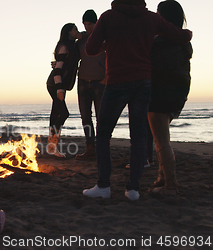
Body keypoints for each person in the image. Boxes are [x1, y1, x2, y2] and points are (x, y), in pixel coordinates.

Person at [82, 0, 192, 201]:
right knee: (139, 136)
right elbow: (183, 35)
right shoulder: (151, 18)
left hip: (117, 81)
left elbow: (90, 49)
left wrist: (108, 45)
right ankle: (133, 189)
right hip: (142, 82)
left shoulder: (108, 17)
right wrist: (187, 34)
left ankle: (104, 186)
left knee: (104, 134)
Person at [148, 0, 192, 195]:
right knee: (161, 137)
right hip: (178, 93)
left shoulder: (159, 42)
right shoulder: (182, 41)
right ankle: (162, 177)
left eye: (158, 13)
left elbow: (154, 68)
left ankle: (171, 184)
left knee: (161, 140)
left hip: (160, 93)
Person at [74, 10, 106, 161]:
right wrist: (59, 65)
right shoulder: (80, 40)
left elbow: (112, 58)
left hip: (100, 82)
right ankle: (90, 148)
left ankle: (101, 148)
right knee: (85, 117)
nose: (87, 27)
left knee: (102, 117)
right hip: (83, 81)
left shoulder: (104, 38)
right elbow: (71, 58)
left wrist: (107, 76)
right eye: (85, 24)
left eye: (90, 24)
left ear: (96, 23)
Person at [46, 23, 80, 158]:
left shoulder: (72, 45)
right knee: (64, 113)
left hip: (59, 84)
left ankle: (52, 147)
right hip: (55, 84)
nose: (77, 32)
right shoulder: (65, 47)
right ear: (68, 33)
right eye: (75, 30)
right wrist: (60, 88)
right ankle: (52, 145)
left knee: (55, 114)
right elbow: (58, 70)